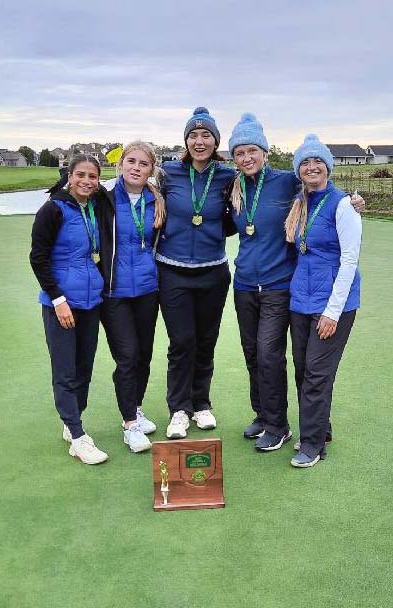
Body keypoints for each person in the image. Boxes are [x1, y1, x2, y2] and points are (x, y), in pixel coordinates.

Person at [225, 113, 367, 452]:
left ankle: (279, 425)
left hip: (279, 285)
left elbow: (320, 186)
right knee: (253, 354)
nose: (247, 158)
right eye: (240, 153)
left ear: (264, 151)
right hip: (245, 283)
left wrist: (354, 202)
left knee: (269, 353)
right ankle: (265, 414)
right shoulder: (229, 186)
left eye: (252, 151)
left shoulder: (287, 180)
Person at [155, 107, 237, 439]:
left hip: (212, 272)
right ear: (185, 141)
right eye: (193, 135)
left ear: (215, 141)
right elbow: (127, 189)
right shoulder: (167, 174)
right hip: (172, 272)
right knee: (182, 341)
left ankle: (201, 404)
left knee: (205, 341)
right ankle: (178, 409)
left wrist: (348, 201)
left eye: (206, 136)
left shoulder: (226, 176)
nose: (199, 141)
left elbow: (267, 191)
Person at [284, 134, 362, 468]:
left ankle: (312, 444)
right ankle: (322, 427)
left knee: (316, 373)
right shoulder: (301, 201)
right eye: (305, 162)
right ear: (298, 170)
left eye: (317, 162)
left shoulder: (344, 205)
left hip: (333, 306)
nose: (311, 167)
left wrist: (332, 312)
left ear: (328, 167)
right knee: (304, 370)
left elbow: (349, 261)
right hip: (301, 300)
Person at [29, 154, 109, 465]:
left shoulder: (94, 205)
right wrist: (58, 299)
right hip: (61, 303)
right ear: (69, 176)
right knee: (65, 370)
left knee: (84, 368)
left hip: (91, 301)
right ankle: (77, 436)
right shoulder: (52, 210)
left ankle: (72, 421)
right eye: (80, 175)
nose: (87, 181)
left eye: (93, 176)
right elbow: (38, 258)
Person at [96, 141, 167, 453]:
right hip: (114, 292)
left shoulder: (155, 199)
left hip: (148, 290)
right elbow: (68, 194)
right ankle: (129, 425)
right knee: (126, 357)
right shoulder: (105, 197)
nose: (136, 168)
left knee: (144, 356)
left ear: (151, 170)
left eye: (143, 164)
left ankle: (135, 407)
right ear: (121, 164)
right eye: (131, 162)